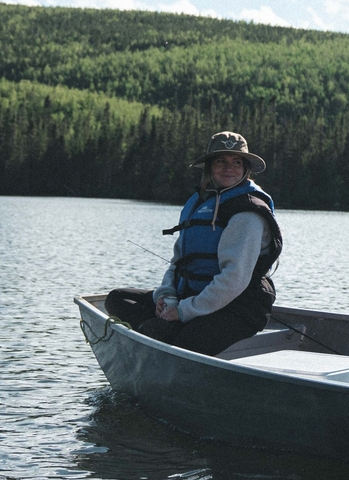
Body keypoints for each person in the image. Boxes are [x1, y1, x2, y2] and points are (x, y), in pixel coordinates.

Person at [106, 131, 282, 357]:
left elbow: (234, 279)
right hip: (192, 297)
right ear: (209, 166)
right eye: (221, 161)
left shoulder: (247, 213)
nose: (229, 167)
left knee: (179, 343)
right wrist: (166, 296)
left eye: (236, 162)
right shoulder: (199, 202)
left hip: (239, 306)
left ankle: (162, 333)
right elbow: (177, 261)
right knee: (118, 299)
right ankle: (161, 329)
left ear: (245, 168)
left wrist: (183, 311)